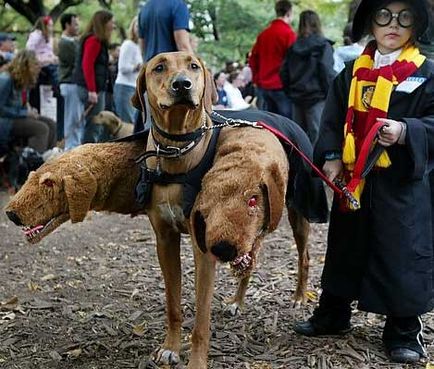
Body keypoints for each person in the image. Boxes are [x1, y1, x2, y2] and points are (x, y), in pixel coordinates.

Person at [293, 0, 434, 364]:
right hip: (356, 182)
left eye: (405, 18)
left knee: (400, 251)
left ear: (416, 26)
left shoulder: (425, 73)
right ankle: (333, 314)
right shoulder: (353, 72)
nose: (393, 24)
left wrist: (406, 130)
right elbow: (333, 116)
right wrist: (332, 156)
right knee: (346, 246)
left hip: (400, 184)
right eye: (383, 16)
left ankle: (403, 330)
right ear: (370, 24)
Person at [280, 10, 336, 146]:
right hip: (317, 98)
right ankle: (314, 166)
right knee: (317, 135)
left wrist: (290, 92)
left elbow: (283, 73)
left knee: (298, 136)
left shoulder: (293, 48)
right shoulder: (323, 46)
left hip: (297, 97)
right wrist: (330, 94)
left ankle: (301, 166)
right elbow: (326, 71)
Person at [0, 50, 56, 156]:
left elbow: (24, 102)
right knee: (41, 129)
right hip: (5, 121)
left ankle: (49, 161)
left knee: (51, 124)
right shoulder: (6, 79)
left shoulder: (25, 80)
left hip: (18, 116)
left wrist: (30, 110)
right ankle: (33, 163)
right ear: (25, 65)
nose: (39, 67)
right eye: (35, 64)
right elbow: (1, 110)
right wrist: (25, 113)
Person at [73, 10, 115, 144]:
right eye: (111, 22)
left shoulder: (97, 40)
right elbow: (87, 65)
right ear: (104, 23)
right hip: (91, 89)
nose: (113, 25)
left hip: (94, 88)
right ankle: (87, 155)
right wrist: (91, 90)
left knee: (93, 124)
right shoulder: (94, 40)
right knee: (94, 124)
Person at [249, 0, 296, 119]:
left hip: (264, 86)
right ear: (289, 13)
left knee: (269, 123)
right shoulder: (289, 34)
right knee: (286, 123)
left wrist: (256, 80)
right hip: (282, 86)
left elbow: (253, 58)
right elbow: (294, 61)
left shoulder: (263, 34)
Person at [58, 13, 83, 151]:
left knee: (76, 117)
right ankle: (70, 149)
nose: (77, 27)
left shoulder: (72, 41)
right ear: (67, 25)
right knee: (72, 119)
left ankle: (74, 147)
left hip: (73, 84)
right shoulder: (65, 43)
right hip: (69, 83)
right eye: (75, 24)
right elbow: (77, 59)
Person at [114, 17, 142, 123]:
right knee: (127, 123)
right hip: (125, 87)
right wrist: (137, 67)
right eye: (137, 26)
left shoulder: (140, 47)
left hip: (134, 88)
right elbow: (122, 67)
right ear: (132, 28)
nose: (139, 29)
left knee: (133, 123)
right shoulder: (128, 44)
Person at [26, 16, 59, 98]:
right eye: (50, 25)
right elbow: (29, 50)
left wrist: (53, 58)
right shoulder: (36, 35)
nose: (52, 28)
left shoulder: (48, 37)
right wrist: (42, 60)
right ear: (44, 26)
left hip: (48, 65)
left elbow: (49, 51)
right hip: (40, 67)